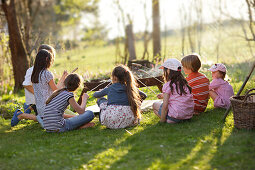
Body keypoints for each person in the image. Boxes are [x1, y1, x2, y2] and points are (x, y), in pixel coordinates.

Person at [11, 49, 69, 127]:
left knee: (44, 119)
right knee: (70, 117)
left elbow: (54, 88)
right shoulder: (47, 73)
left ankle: (21, 115)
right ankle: (21, 115)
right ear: (47, 59)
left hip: (40, 108)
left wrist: (63, 77)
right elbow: (56, 89)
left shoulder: (35, 74)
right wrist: (64, 81)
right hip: (49, 108)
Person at [93, 65, 147, 129]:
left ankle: (102, 119)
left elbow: (95, 95)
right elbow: (144, 95)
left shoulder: (110, 88)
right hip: (129, 121)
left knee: (101, 99)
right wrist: (137, 104)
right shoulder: (130, 88)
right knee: (134, 98)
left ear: (114, 77)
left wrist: (101, 91)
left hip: (111, 122)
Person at [152, 58, 194, 123]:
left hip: (176, 117)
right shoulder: (184, 83)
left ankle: (168, 120)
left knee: (155, 105)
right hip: (188, 116)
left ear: (168, 70)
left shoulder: (168, 85)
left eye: (164, 70)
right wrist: (163, 96)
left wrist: (162, 121)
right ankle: (173, 119)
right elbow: (178, 96)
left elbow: (165, 106)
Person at [22, 44, 56, 115]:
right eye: (50, 55)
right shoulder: (34, 70)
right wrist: (39, 93)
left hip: (40, 104)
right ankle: (26, 111)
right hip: (39, 102)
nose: (52, 57)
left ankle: (28, 110)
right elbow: (26, 84)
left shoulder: (38, 71)